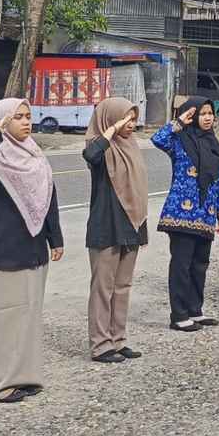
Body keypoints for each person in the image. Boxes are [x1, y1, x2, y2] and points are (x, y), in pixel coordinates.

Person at [0, 99, 63, 402]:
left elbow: (48, 198)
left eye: (28, 116)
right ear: (1, 120)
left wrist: (55, 238)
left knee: (27, 317)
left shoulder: (35, 155)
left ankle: (24, 377)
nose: (25, 122)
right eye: (16, 117)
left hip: (31, 247)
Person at [152, 97, 219, 331]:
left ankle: (195, 310)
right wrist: (179, 122)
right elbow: (157, 139)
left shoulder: (213, 144)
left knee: (200, 264)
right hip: (181, 214)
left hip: (206, 213)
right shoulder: (179, 140)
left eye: (210, 113)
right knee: (181, 265)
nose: (207, 118)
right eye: (202, 113)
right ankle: (179, 315)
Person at [83, 97, 150, 363]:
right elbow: (91, 155)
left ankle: (118, 339)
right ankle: (100, 345)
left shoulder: (131, 147)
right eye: (125, 118)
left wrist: (141, 226)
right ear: (109, 119)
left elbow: (138, 190)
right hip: (105, 224)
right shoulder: (98, 147)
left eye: (133, 119)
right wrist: (109, 132)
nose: (131, 124)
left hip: (131, 223)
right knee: (103, 287)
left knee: (123, 286)